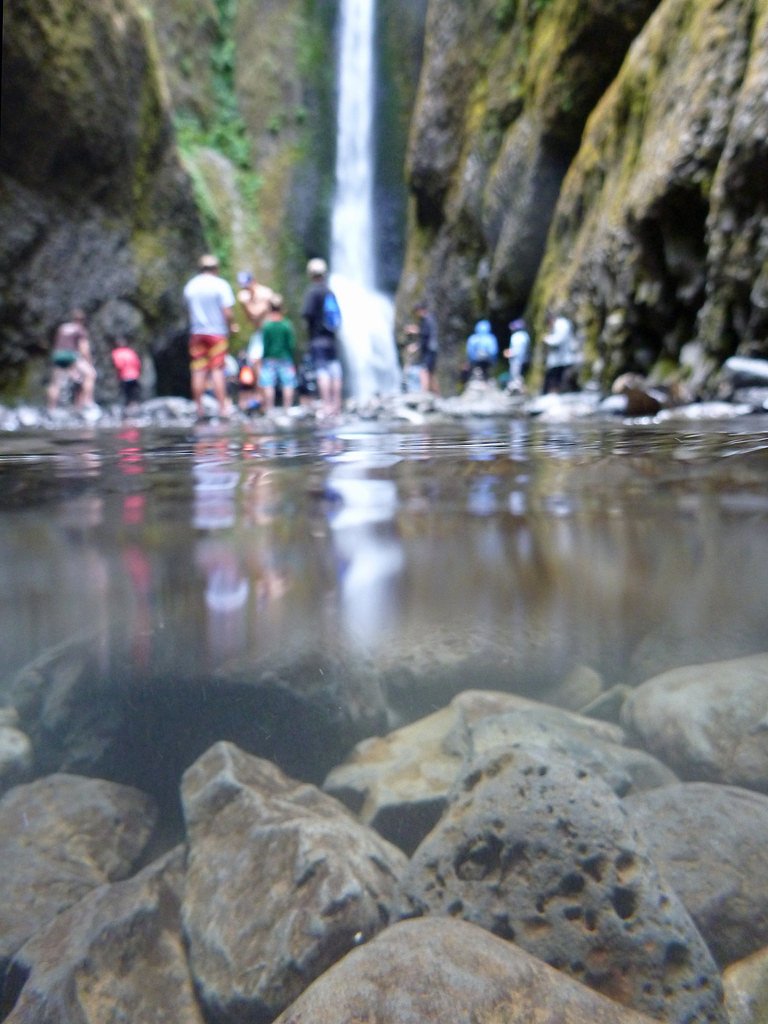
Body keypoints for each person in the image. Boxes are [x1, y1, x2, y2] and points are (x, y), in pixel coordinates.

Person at [183, 253, 238, 418]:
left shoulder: (190, 286)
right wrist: (231, 326)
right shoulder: (220, 285)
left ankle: (198, 408)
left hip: (197, 333)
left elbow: (188, 310)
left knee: (198, 369)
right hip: (216, 333)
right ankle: (222, 408)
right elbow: (227, 311)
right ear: (215, 268)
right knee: (217, 369)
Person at [301, 257, 343, 417]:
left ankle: (326, 405)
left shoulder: (312, 292)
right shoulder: (329, 291)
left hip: (317, 339)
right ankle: (336, 404)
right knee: (334, 369)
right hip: (331, 339)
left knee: (322, 371)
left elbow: (307, 314)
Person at [47, 309, 97, 410]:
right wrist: (89, 361)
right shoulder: (80, 329)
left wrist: (70, 368)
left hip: (57, 355)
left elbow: (57, 343)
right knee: (91, 374)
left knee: (55, 382)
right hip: (70, 355)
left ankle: (51, 408)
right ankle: (87, 402)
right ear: (82, 320)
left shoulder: (62, 327)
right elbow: (84, 348)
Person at [259, 294, 298, 413]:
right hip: (285, 357)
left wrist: (264, 357)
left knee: (268, 383)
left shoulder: (267, 326)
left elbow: (265, 344)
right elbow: (291, 344)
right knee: (288, 383)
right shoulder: (286, 324)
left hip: (270, 358)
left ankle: (270, 408)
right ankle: (287, 408)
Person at [404, 301, 439, 394]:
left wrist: (416, 346)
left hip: (429, 350)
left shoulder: (427, 320)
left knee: (424, 371)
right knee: (431, 373)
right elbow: (426, 333)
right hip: (432, 350)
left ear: (420, 310)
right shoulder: (429, 319)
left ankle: (425, 393)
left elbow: (426, 336)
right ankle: (436, 395)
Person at [542, 312, 579, 394]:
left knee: (561, 378)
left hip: (565, 358)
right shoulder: (560, 324)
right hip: (560, 359)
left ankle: (563, 393)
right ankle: (560, 392)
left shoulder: (561, 324)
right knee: (559, 377)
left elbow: (559, 339)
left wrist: (547, 339)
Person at [111, 338, 142, 411]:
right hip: (134, 375)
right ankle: (134, 405)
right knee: (133, 391)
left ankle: (128, 407)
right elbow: (138, 363)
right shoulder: (130, 352)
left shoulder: (116, 353)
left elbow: (118, 365)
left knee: (126, 392)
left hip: (124, 376)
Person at [503, 318, 531, 393]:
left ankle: (516, 391)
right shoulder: (525, 335)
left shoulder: (516, 336)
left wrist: (509, 353)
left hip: (517, 360)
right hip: (524, 359)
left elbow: (517, 350)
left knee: (515, 377)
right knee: (520, 376)